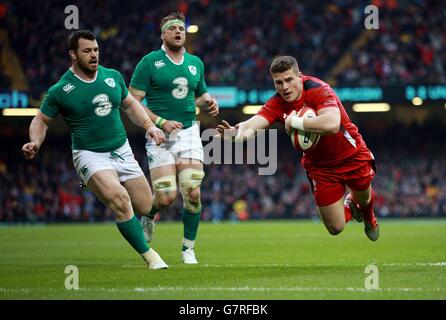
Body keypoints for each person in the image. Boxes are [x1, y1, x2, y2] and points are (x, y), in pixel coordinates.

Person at [21, 30, 170, 270]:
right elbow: (40, 121)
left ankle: (145, 220)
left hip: (121, 149)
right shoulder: (61, 90)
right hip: (89, 154)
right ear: (73, 54)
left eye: (96, 50)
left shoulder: (112, 77)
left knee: (145, 206)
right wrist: (35, 142)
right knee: (120, 201)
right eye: (87, 51)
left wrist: (149, 126)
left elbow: (131, 105)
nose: (94, 55)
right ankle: (151, 257)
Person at [217, 56, 379, 241]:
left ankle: (369, 217)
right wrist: (234, 134)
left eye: (289, 80)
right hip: (321, 167)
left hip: (351, 154)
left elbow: (332, 124)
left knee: (364, 199)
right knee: (335, 228)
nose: (284, 87)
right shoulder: (276, 103)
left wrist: (294, 121)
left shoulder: (318, 89)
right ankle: (350, 208)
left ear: (299, 76)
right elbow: (251, 126)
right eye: (278, 82)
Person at [129, 12, 219, 264]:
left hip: (189, 132)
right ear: (163, 34)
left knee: (192, 191)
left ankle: (188, 248)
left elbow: (199, 95)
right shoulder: (149, 62)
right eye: (173, 28)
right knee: (167, 197)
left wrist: (209, 101)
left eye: (181, 27)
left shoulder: (195, 63)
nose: (178, 31)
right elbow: (131, 102)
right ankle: (149, 215)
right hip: (160, 135)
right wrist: (159, 122)